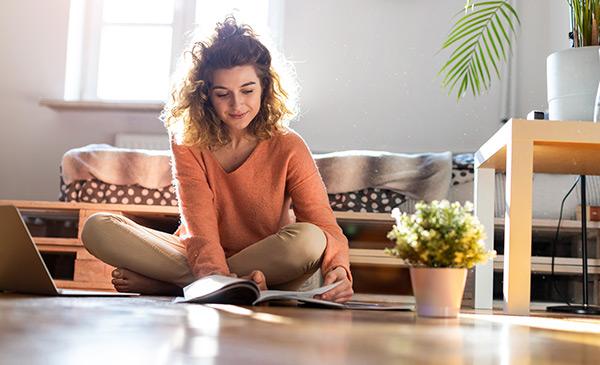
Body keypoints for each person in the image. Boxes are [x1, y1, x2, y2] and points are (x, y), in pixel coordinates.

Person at [81, 16, 353, 303]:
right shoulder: (188, 141)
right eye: (223, 94)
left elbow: (323, 224)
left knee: (309, 240)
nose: (237, 105)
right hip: (198, 252)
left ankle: (177, 286)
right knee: (98, 227)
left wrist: (339, 270)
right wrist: (212, 270)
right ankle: (229, 284)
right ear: (205, 95)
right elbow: (199, 226)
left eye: (247, 91)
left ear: (265, 87)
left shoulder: (289, 145)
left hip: (267, 259)